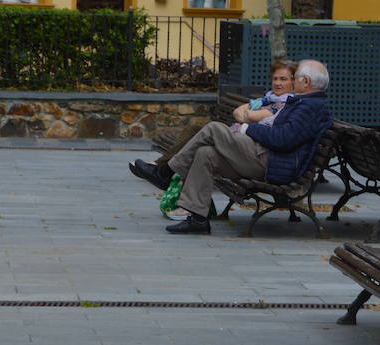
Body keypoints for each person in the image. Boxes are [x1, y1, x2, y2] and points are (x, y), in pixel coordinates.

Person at [129, 59, 333, 235]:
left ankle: (165, 172)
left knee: (213, 129)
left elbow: (282, 139)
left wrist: (248, 128)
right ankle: (197, 219)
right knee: (205, 153)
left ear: (305, 82)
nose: (294, 80)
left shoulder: (310, 107)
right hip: (266, 155)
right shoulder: (306, 103)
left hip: (272, 162)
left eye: (295, 77)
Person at [137, 60, 297, 175]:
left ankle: (164, 170)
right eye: (275, 79)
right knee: (195, 129)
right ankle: (162, 166)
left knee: (209, 131)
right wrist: (248, 114)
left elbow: (251, 114)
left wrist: (248, 114)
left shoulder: (284, 104)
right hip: (235, 135)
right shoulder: (268, 99)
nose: (277, 83)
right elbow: (238, 112)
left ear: (293, 82)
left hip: (245, 144)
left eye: (283, 79)